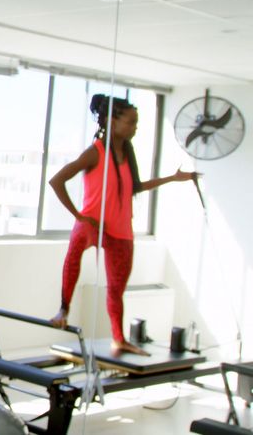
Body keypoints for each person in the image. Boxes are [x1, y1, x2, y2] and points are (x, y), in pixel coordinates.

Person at [48, 94, 196, 355]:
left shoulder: (127, 153)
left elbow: (135, 188)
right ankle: (63, 309)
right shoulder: (96, 152)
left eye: (136, 122)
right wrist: (78, 215)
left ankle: (119, 338)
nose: (135, 127)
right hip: (93, 222)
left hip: (120, 230)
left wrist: (173, 178)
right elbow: (57, 180)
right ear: (111, 121)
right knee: (73, 257)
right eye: (130, 122)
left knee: (117, 289)